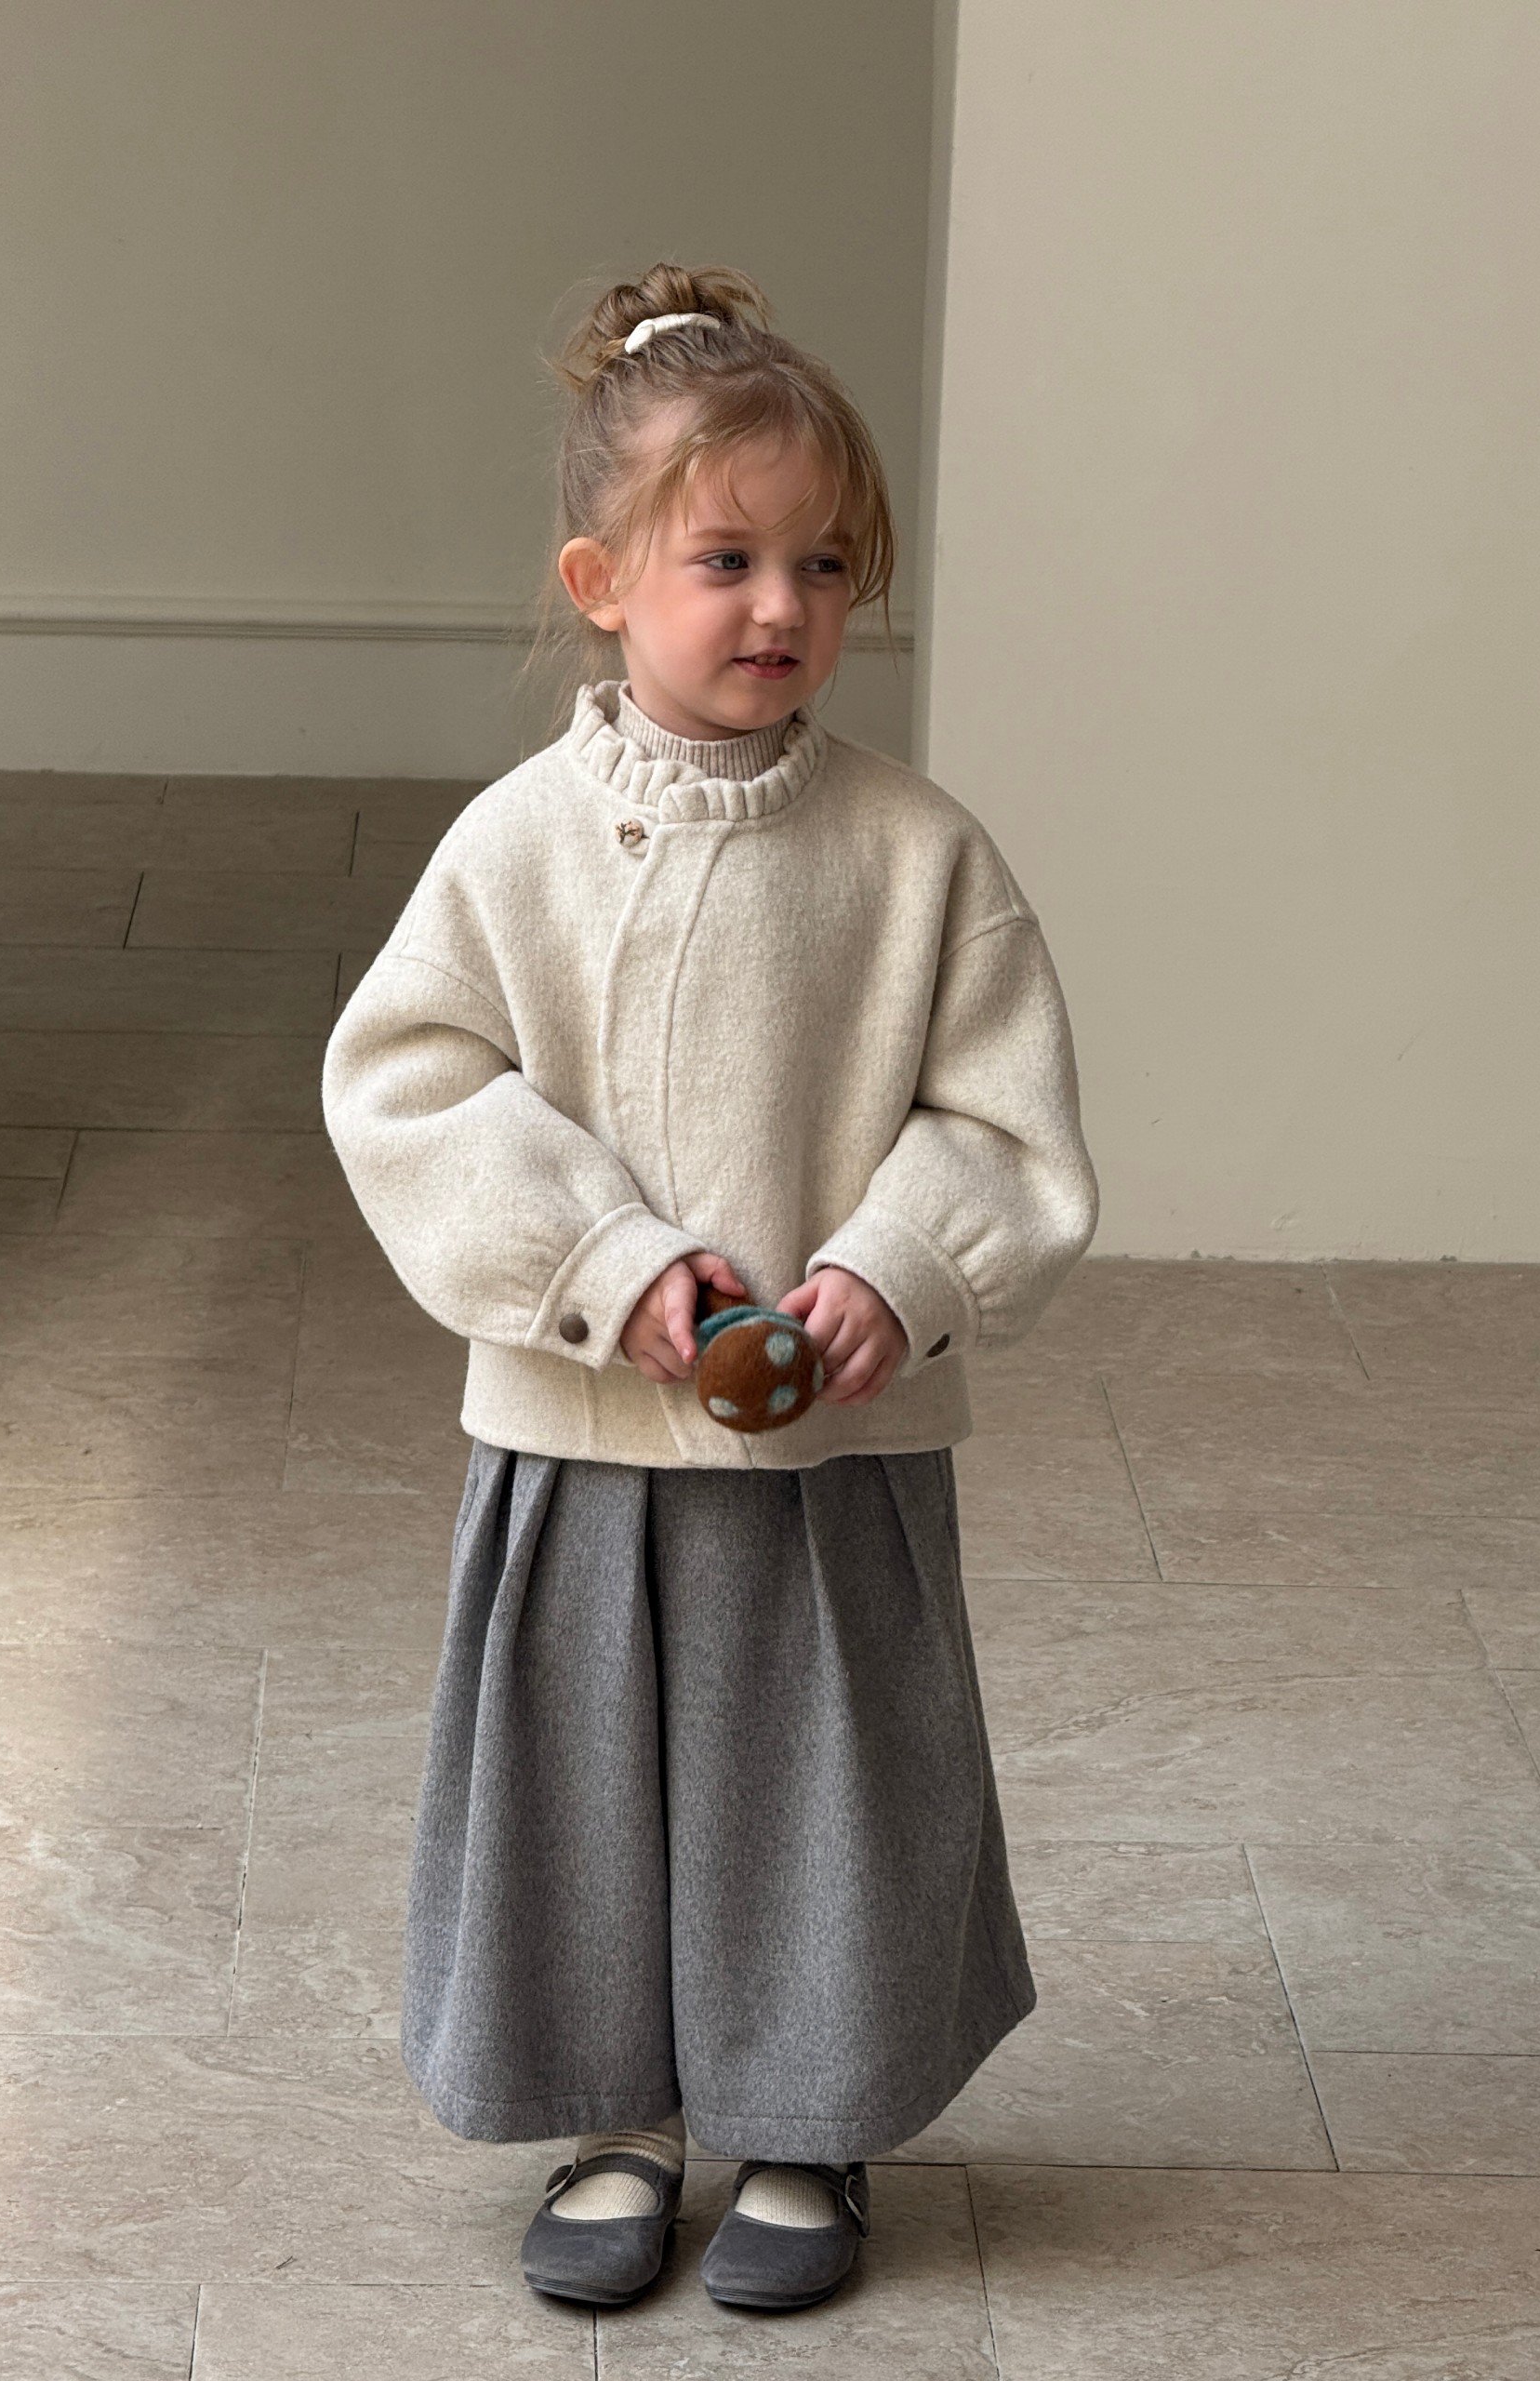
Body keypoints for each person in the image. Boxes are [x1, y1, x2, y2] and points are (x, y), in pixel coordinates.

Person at [321, 262, 1098, 2316]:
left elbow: (1002, 1116)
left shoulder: (919, 854)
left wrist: (897, 1269)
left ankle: (810, 2113)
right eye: (727, 559)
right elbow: (407, 1084)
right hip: (584, 1428)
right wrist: (606, 1261)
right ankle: (615, 2114)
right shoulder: (514, 849)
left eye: (825, 564)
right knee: (583, 1780)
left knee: (822, 1784)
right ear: (601, 581)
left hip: (830, 1440)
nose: (783, 606)